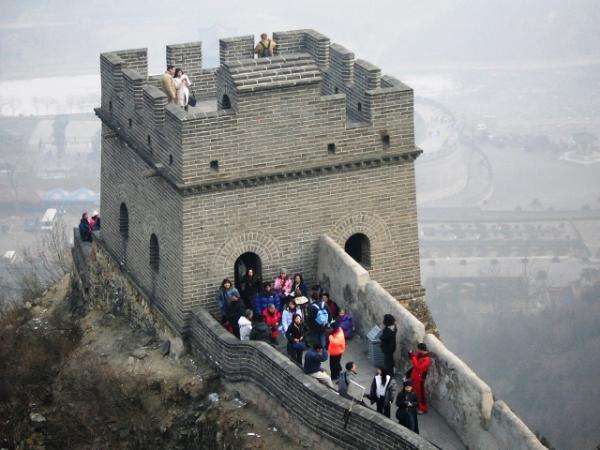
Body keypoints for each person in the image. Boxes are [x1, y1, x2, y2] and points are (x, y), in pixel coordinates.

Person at [409, 343, 431, 414]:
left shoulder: (427, 359)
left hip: (420, 379)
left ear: (421, 349)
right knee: (415, 392)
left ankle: (423, 408)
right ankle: (416, 404)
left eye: (418, 349)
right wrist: (411, 355)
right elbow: (413, 358)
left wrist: (413, 357)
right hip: (415, 377)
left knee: (421, 394)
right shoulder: (420, 354)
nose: (417, 350)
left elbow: (418, 367)